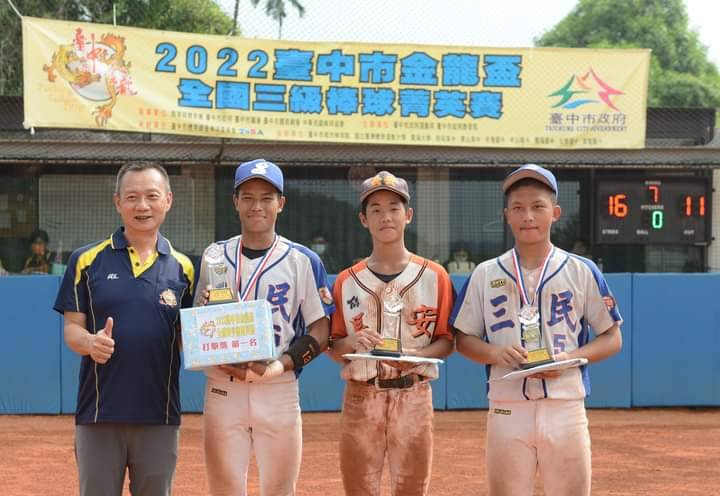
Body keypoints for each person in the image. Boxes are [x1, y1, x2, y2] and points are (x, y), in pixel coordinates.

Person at [451, 164, 623, 496]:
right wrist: (495, 352)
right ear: (506, 215)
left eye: (537, 206)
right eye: (518, 207)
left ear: (555, 213)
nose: (527, 216)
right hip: (507, 405)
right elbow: (463, 339)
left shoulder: (581, 270)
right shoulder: (486, 273)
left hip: (565, 404)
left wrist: (570, 357)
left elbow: (613, 337)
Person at [53, 162, 195, 496]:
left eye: (152, 196)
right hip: (99, 413)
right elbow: (72, 329)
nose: (142, 206)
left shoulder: (185, 268)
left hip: (159, 415)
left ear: (168, 200)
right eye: (132, 197)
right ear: (117, 202)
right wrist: (90, 342)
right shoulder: (86, 260)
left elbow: (187, 338)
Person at [195, 158, 334, 496]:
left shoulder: (302, 260)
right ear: (235, 202)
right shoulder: (214, 256)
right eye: (248, 197)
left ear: (281, 203)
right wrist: (207, 337)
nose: (256, 206)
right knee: (224, 489)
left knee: (279, 489)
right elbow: (197, 321)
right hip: (223, 386)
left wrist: (280, 365)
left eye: (266, 198)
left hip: (278, 387)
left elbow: (321, 330)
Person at [328, 170, 454, 496]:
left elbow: (446, 340)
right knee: (359, 489)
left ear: (408, 215)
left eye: (394, 208)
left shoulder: (435, 276)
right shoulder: (346, 281)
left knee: (412, 489)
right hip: (361, 396)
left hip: (414, 395)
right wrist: (350, 343)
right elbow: (333, 345)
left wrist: (419, 356)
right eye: (376, 209)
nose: (386, 216)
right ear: (363, 219)